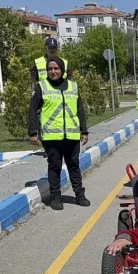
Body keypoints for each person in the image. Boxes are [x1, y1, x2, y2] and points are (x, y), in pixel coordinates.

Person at [28, 56, 90, 210]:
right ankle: (56, 197)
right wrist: (32, 132)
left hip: (72, 135)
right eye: (50, 69)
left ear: (62, 70)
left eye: (56, 68)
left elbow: (80, 110)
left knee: (74, 165)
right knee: (55, 166)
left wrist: (84, 130)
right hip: (51, 136)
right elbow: (32, 111)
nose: (53, 71)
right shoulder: (41, 87)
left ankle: (79, 194)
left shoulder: (73, 86)